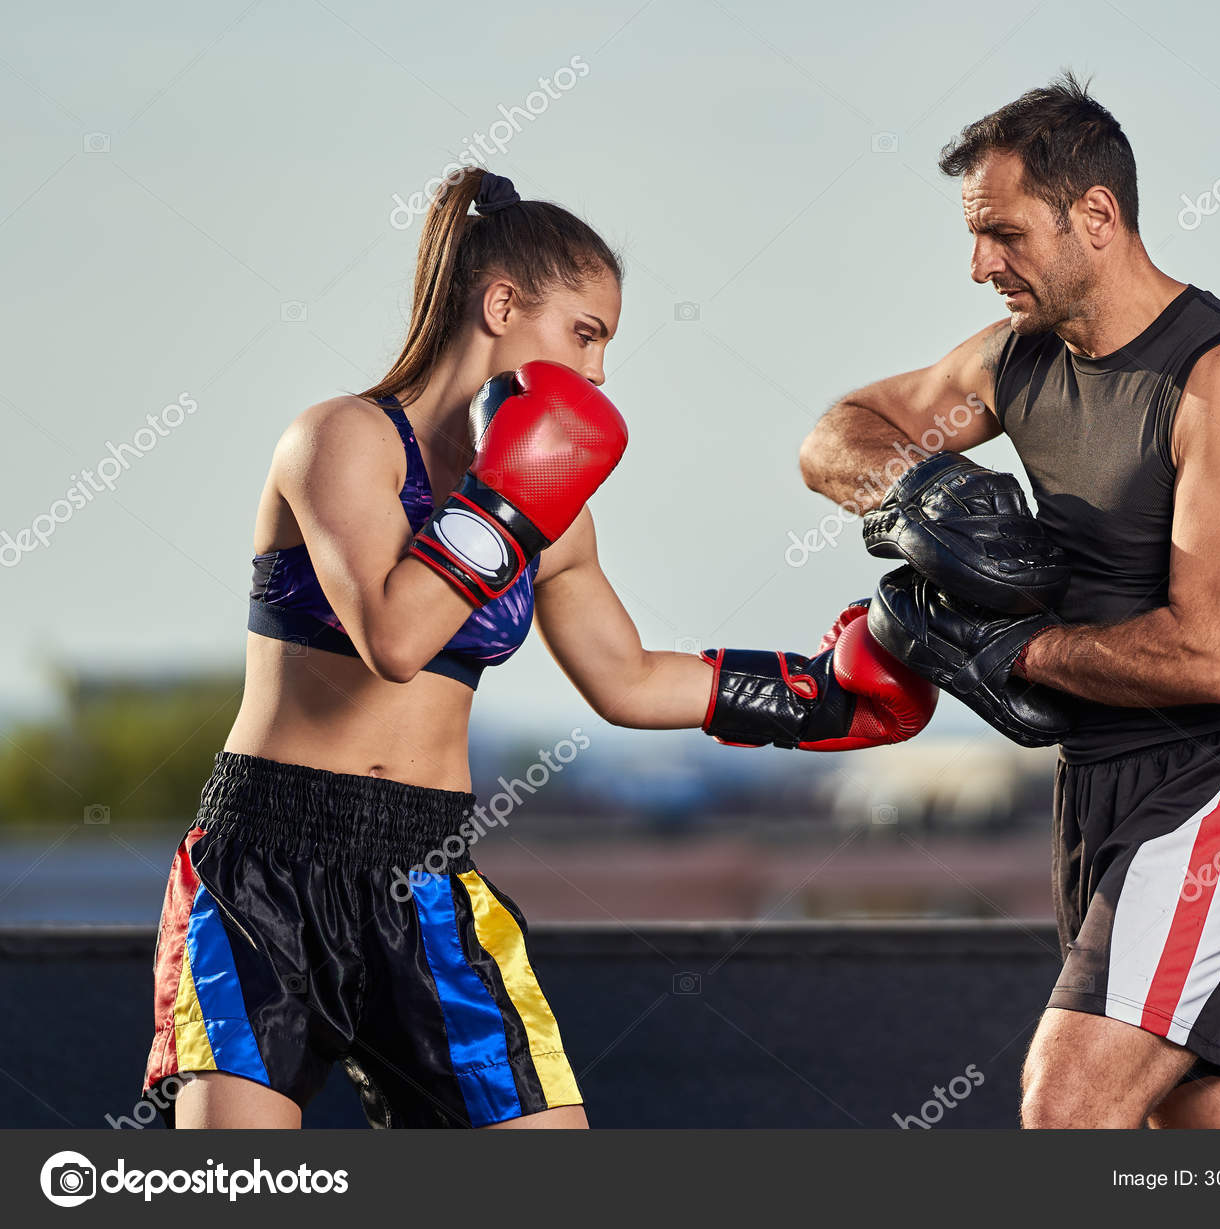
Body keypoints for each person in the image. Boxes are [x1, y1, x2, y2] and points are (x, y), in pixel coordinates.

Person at [142, 168, 936, 1130]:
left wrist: (824, 699)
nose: (598, 373)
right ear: (502, 303)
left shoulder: (555, 513)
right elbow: (396, 637)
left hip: (424, 866)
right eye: (586, 334)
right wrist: (509, 498)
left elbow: (629, 679)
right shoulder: (341, 439)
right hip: (268, 862)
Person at [800, 73, 1220, 1129]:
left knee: (1068, 1103)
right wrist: (917, 491)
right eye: (974, 236)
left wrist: (1010, 646)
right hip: (1092, 786)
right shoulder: (1016, 360)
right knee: (1219, 1129)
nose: (980, 264)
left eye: (1003, 233)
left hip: (1215, 779)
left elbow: (1219, 654)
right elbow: (834, 434)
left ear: (1095, 215)